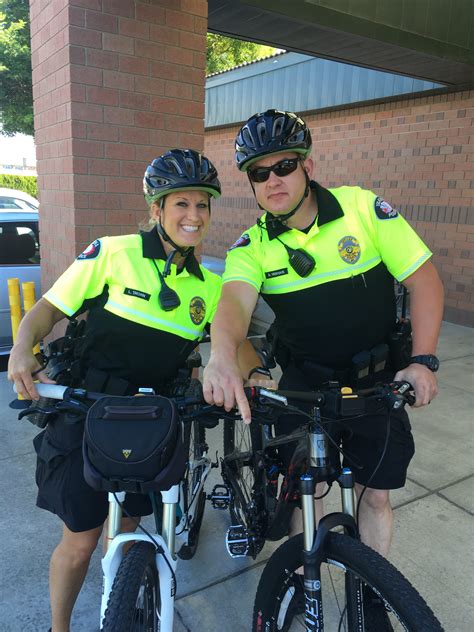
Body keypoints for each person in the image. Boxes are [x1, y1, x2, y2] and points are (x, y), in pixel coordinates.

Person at [8, 148, 267, 632]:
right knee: (80, 541)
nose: (193, 216)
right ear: (156, 210)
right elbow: (49, 307)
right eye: (181, 204)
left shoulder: (207, 288)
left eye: (202, 205)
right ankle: (59, 628)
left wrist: (255, 378)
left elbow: (233, 343)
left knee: (124, 536)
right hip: (88, 415)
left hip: (152, 425)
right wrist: (24, 345)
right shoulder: (113, 252)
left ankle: (120, 602)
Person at [203, 110, 444, 628]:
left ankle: (372, 587)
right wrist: (222, 357)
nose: (273, 180)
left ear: (308, 164)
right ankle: (297, 572)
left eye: (284, 166)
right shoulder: (253, 245)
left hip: (377, 380)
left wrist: (422, 361)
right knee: (302, 492)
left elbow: (425, 280)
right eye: (258, 173)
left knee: (374, 496)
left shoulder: (362, 209)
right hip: (304, 384)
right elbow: (232, 311)